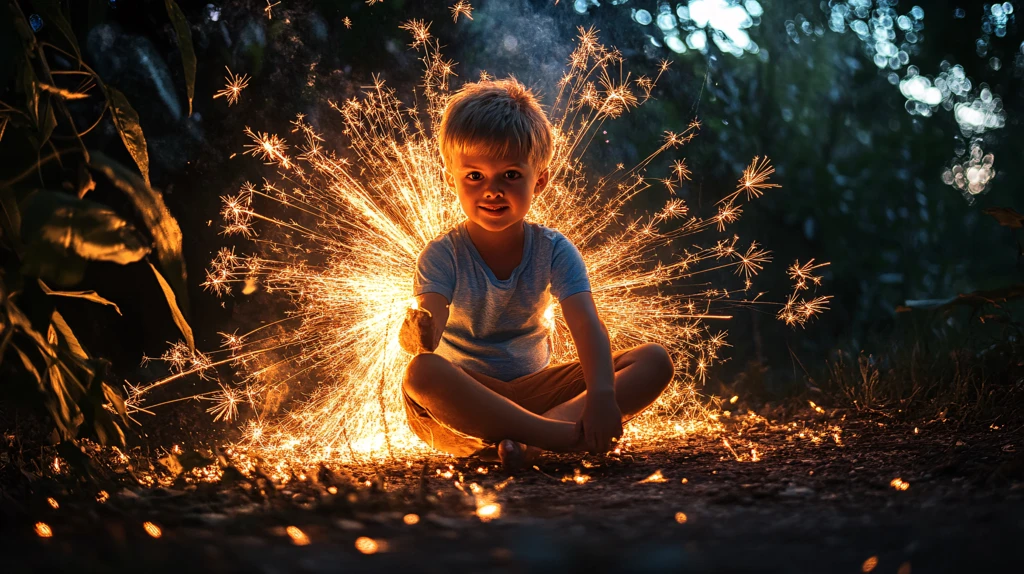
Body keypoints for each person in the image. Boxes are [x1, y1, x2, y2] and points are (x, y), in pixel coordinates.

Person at [399, 78, 674, 470]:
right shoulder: (443, 254)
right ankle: (560, 437)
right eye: (474, 176)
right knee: (421, 373)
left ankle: (529, 441)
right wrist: (421, 329)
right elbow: (431, 314)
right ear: (451, 180)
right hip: (465, 401)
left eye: (510, 175)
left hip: (536, 393)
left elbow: (586, 324)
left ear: (539, 180)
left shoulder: (554, 249)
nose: (491, 190)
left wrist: (600, 395)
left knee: (654, 361)